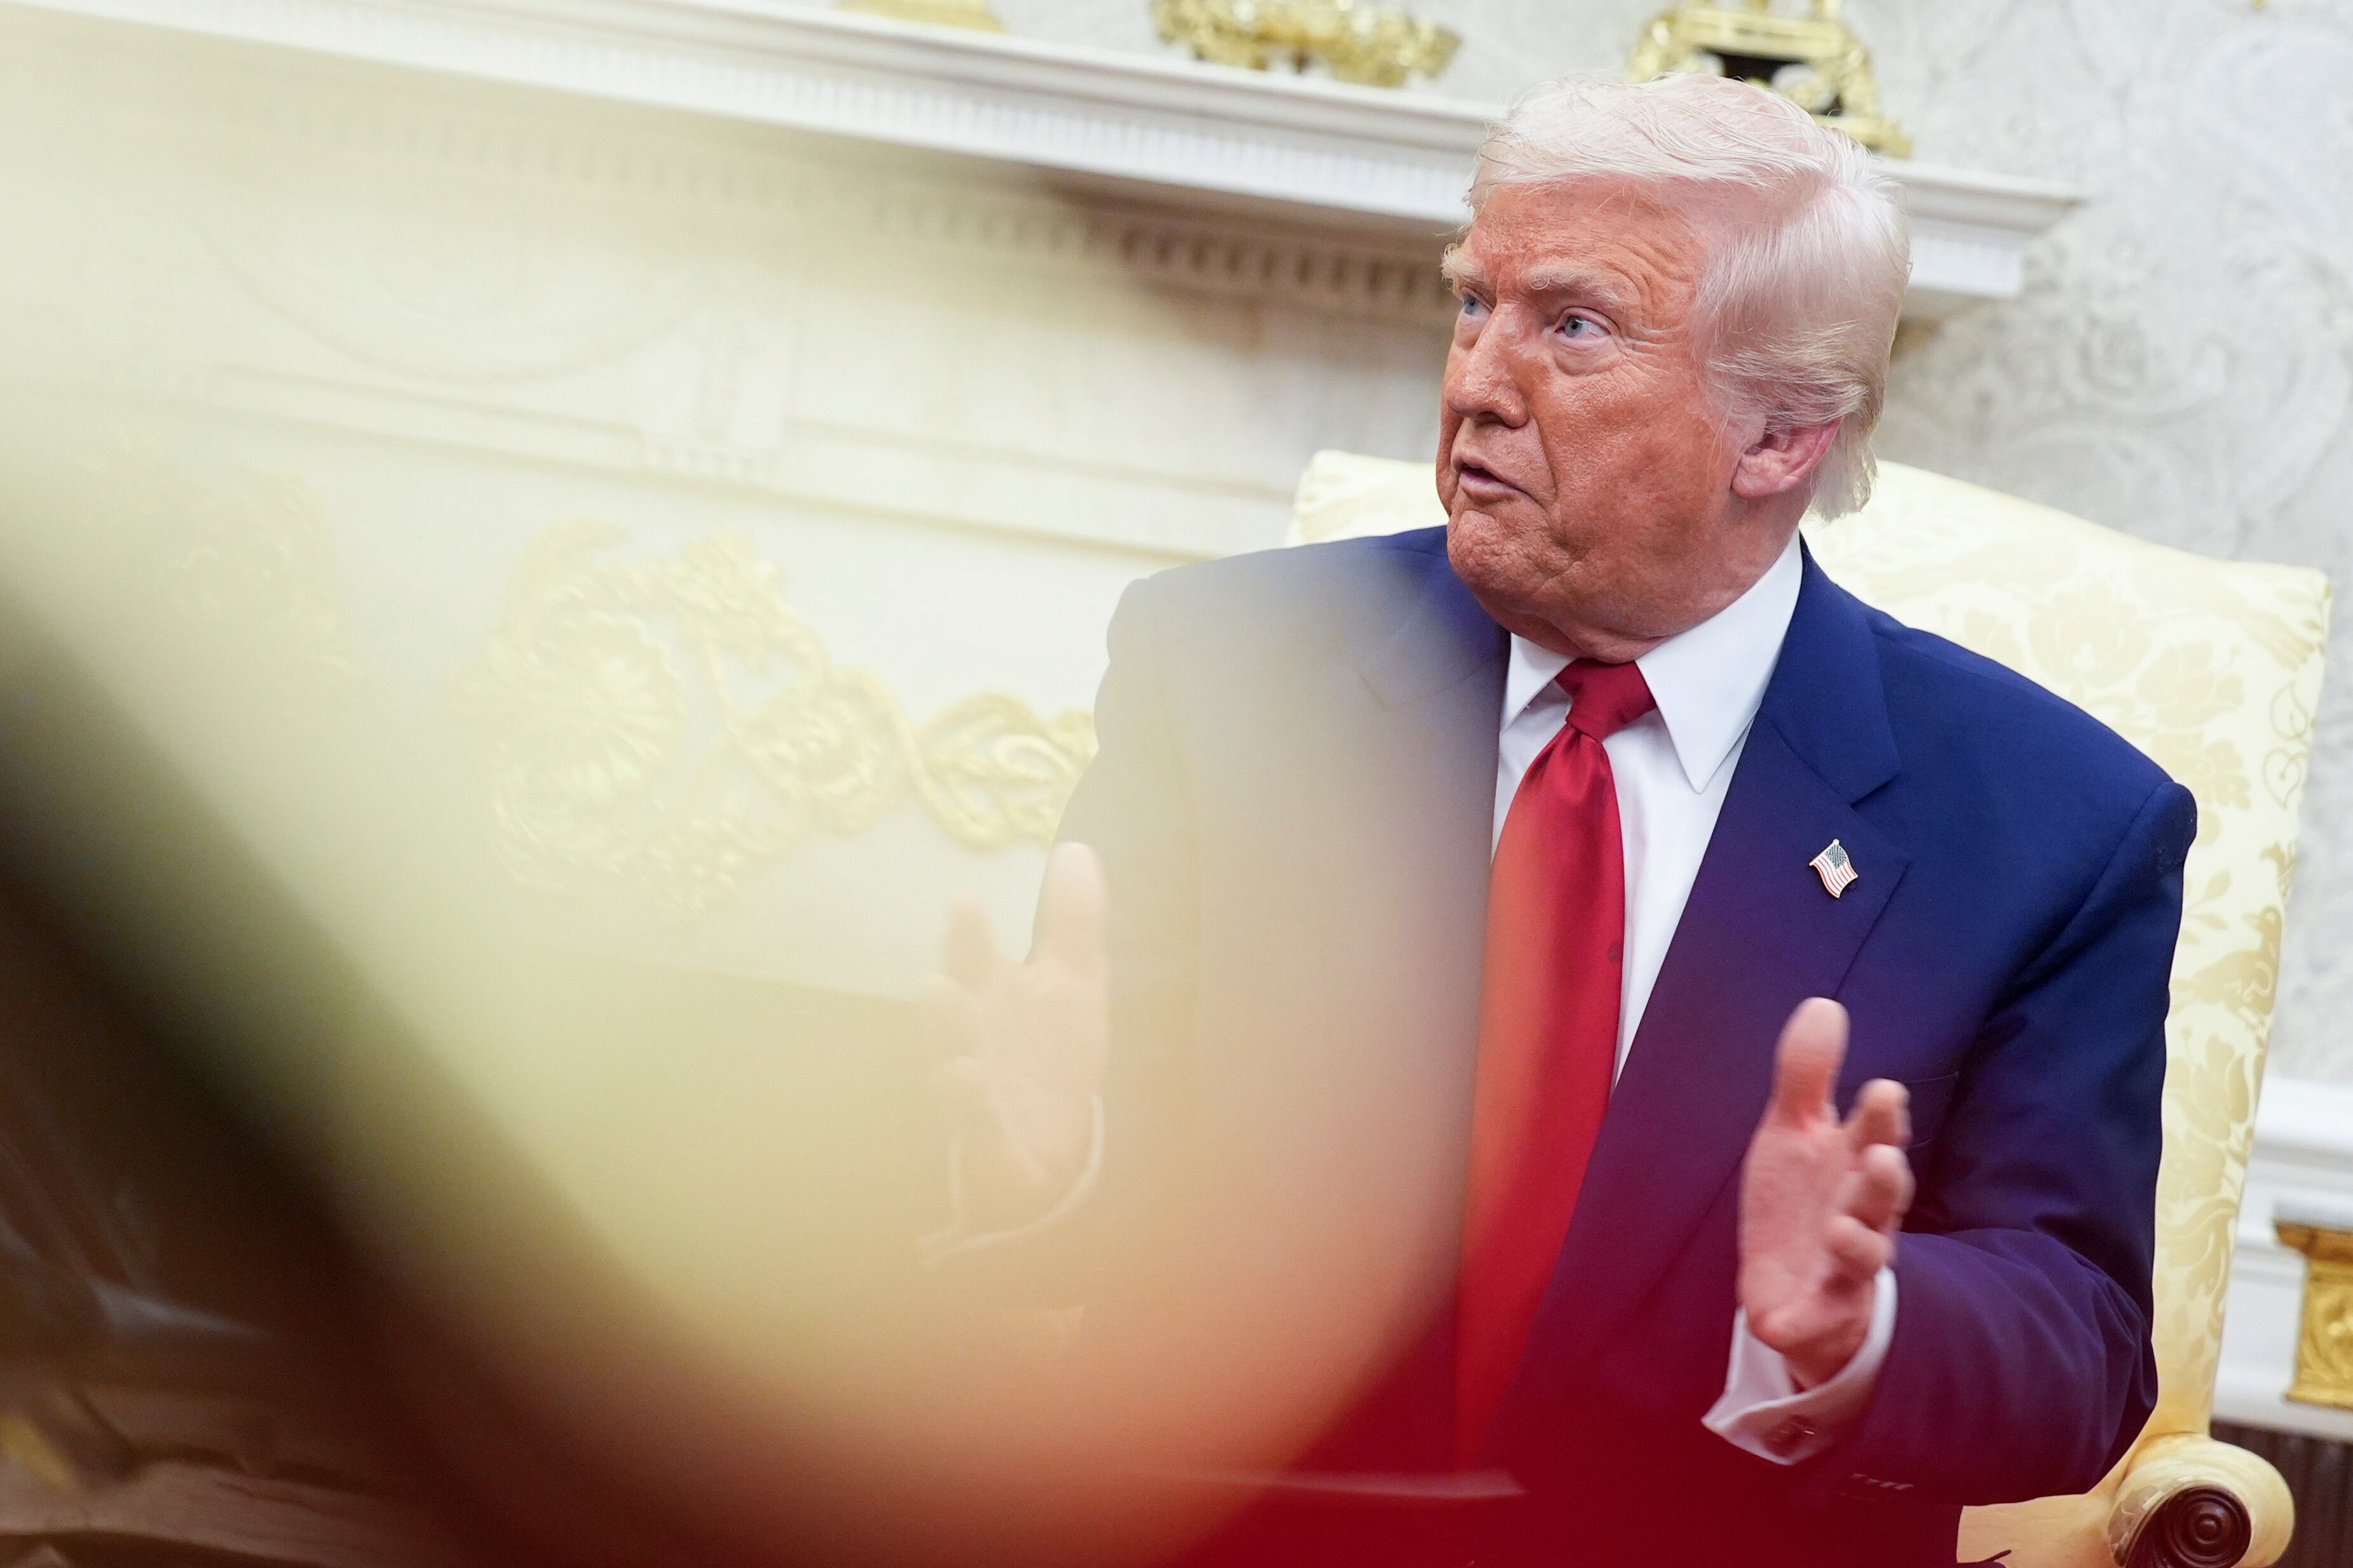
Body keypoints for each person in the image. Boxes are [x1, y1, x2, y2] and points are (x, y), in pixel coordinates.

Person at [923, 72, 2193, 1568]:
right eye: (1475, 304)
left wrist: (1863, 1326)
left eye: (1573, 326)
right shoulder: (1227, 672)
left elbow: (2083, 1339)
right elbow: (1131, 1172)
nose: (1475, 380)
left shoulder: (2054, 824)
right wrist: (1047, 1166)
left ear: (1782, 432)